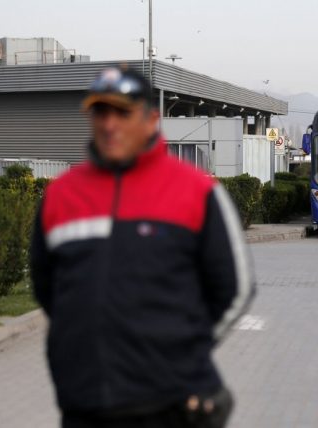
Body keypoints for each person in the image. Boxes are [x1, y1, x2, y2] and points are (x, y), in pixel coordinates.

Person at [30, 67, 255, 427]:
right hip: (84, 405)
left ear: (151, 119)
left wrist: (182, 352)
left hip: (169, 407)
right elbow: (48, 289)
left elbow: (234, 289)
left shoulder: (197, 192)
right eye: (101, 113)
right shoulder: (60, 195)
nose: (109, 125)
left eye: (122, 112)